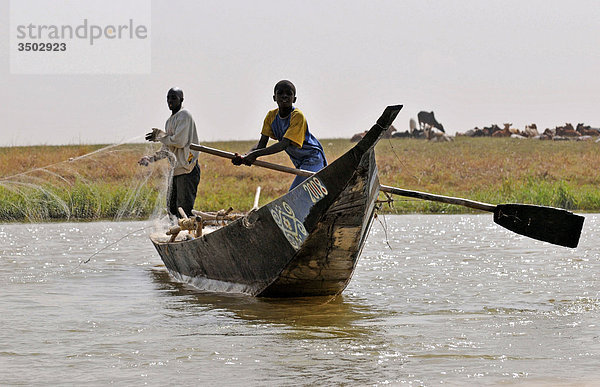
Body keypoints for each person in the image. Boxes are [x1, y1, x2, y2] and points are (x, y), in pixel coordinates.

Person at [233, 80, 326, 190]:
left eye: (289, 93)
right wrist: (246, 156)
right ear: (274, 97)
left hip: (312, 159)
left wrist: (254, 155)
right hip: (299, 162)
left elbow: (284, 144)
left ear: (294, 99)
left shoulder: (297, 116)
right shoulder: (271, 116)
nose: (284, 96)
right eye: (280, 93)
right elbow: (262, 144)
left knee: (295, 193)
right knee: (307, 193)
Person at [138, 87, 200, 218]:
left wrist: (160, 136)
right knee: (171, 208)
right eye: (168, 98)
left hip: (187, 169)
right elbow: (167, 148)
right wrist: (150, 158)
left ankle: (188, 235)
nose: (170, 101)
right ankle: (177, 235)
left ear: (181, 100)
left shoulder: (184, 115)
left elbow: (180, 141)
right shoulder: (169, 121)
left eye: (174, 98)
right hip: (176, 170)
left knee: (184, 210)